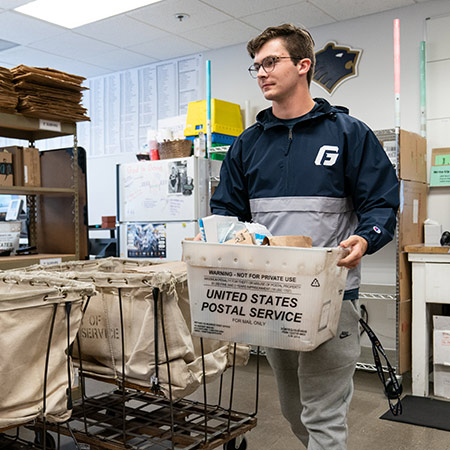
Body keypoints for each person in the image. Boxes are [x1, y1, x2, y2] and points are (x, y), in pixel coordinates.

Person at [208, 24, 399, 450]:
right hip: (271, 298)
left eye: (271, 62)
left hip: (331, 297)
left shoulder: (348, 133)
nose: (261, 73)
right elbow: (226, 212)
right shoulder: (247, 144)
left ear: (303, 65)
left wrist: (366, 239)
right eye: (256, 66)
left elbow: (381, 204)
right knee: (294, 411)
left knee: (324, 415)